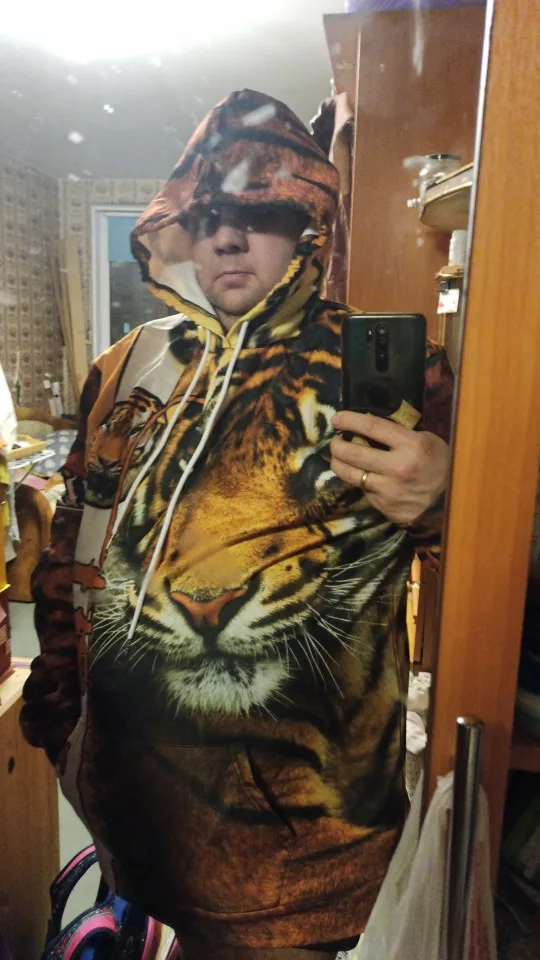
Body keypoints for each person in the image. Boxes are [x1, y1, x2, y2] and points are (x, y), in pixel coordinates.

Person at [21, 89, 452, 959]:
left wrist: (446, 494)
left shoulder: (392, 370)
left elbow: (503, 561)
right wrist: (60, 718)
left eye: (260, 214)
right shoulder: (128, 363)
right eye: (208, 213)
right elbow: (71, 547)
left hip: (298, 853)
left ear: (308, 229)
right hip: (132, 811)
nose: (227, 237)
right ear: (176, 226)